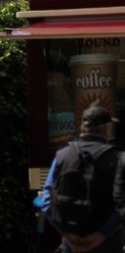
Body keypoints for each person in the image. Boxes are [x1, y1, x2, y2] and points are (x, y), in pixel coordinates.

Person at [41, 102, 123, 253]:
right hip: (107, 244)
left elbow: (45, 200)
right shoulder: (118, 158)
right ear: (106, 129)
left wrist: (66, 233)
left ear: (83, 129)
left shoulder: (62, 156)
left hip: (72, 244)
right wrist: (101, 235)